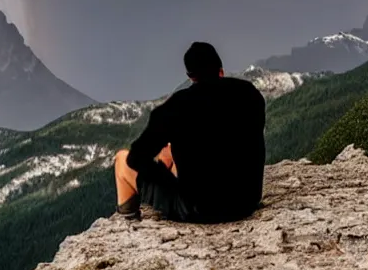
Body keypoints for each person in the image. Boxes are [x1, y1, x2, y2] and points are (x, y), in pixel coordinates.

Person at [114, 41, 266, 223]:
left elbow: (136, 159)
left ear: (190, 76)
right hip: (245, 203)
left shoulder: (175, 107)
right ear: (221, 71)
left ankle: (128, 222)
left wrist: (163, 166)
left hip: (198, 210)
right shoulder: (250, 93)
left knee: (122, 160)